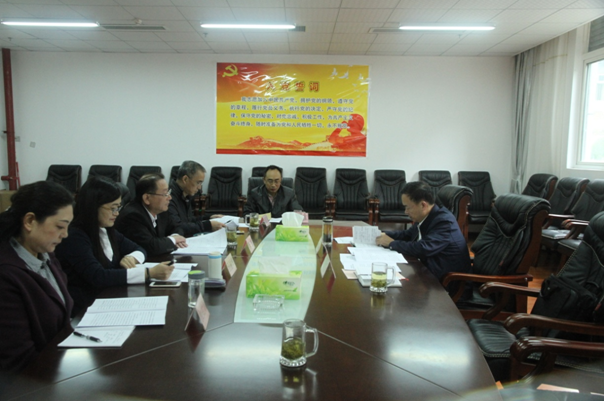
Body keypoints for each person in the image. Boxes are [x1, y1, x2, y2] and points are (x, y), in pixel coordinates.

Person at [55, 177, 175, 315]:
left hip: (109, 300)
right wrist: (148, 273)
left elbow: (140, 249)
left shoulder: (107, 230)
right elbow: (98, 276)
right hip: (86, 311)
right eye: (112, 208)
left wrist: (132, 258)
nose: (117, 213)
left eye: (118, 207)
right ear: (93, 207)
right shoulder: (75, 237)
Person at [0, 181, 74, 372]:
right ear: (30, 221)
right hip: (30, 380)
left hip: (56, 366)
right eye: (60, 226)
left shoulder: (45, 254)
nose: (65, 234)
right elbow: (17, 359)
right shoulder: (6, 275)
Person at [376, 181, 471, 281]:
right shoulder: (427, 215)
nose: (406, 212)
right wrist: (382, 234)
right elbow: (408, 234)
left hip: (447, 282)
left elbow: (424, 248)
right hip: (428, 270)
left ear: (423, 205)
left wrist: (391, 243)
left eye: (407, 207)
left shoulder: (444, 221)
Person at [115, 173, 187, 256]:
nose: (169, 197)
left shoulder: (161, 211)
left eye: (168, 192)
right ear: (147, 198)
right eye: (165, 194)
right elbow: (151, 246)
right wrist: (173, 240)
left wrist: (176, 236)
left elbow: (176, 227)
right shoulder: (132, 216)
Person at [168, 161, 224, 237]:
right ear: (185, 179)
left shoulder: (184, 194)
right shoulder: (169, 198)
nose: (199, 187)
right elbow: (178, 227)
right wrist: (208, 225)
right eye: (198, 182)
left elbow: (188, 220)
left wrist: (209, 218)